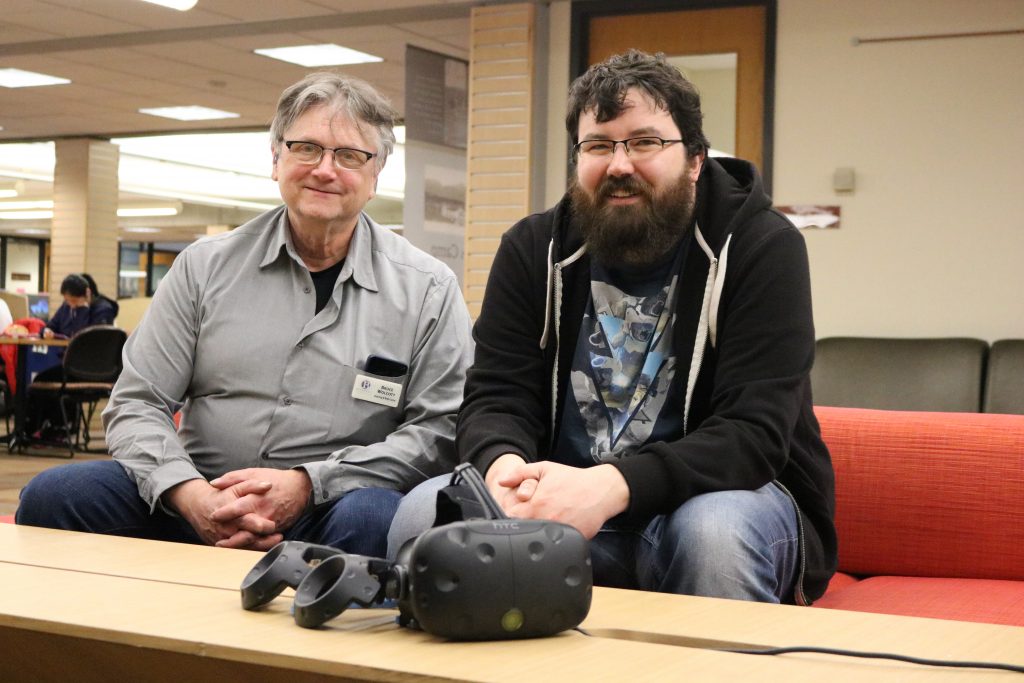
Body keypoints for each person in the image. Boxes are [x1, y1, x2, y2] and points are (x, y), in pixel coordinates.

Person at [389, 50, 836, 605]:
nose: (619, 164)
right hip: (559, 509)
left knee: (712, 534)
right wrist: (505, 472)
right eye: (598, 145)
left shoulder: (762, 247)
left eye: (645, 142)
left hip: (714, 500)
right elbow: (496, 396)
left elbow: (754, 434)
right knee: (421, 513)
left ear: (695, 159)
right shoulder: (532, 251)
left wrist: (610, 486)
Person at [17, 72, 474, 558]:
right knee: (54, 498)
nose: (325, 169)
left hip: (329, 507)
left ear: (375, 174)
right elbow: (138, 402)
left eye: (349, 156)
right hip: (194, 496)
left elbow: (441, 429)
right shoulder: (204, 266)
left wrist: (308, 484)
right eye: (306, 148)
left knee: (375, 517)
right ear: (276, 159)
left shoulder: (427, 288)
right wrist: (189, 494)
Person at [42, 273, 117, 339]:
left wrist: (82, 309)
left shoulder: (103, 310)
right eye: (67, 300)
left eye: (74, 301)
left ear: (87, 293)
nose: (71, 305)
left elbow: (81, 337)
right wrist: (46, 331)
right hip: (64, 352)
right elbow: (50, 326)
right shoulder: (66, 306)